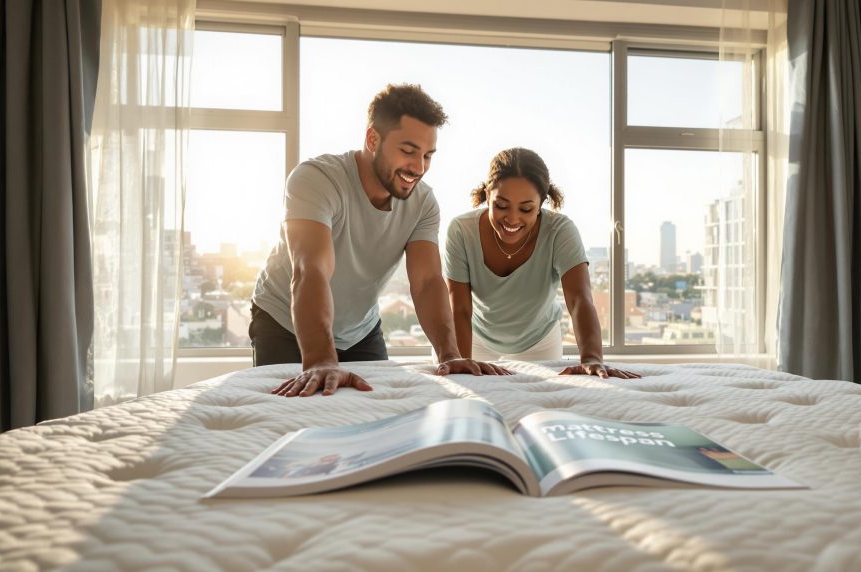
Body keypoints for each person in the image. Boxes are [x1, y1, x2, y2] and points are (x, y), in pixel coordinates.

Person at [251, 84, 511, 397]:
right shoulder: (317, 179)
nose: (418, 168)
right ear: (373, 139)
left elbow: (427, 282)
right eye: (408, 151)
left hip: (359, 330)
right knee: (299, 407)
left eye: (427, 155)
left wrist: (449, 354)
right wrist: (321, 360)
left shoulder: (423, 203)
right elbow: (310, 270)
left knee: (376, 406)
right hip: (284, 322)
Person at [444, 148, 641, 379]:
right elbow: (459, 307)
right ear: (488, 196)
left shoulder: (560, 231)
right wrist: (460, 361)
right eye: (501, 206)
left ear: (541, 203)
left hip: (539, 342)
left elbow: (579, 299)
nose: (512, 218)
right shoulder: (461, 230)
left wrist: (592, 358)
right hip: (476, 338)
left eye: (526, 209)